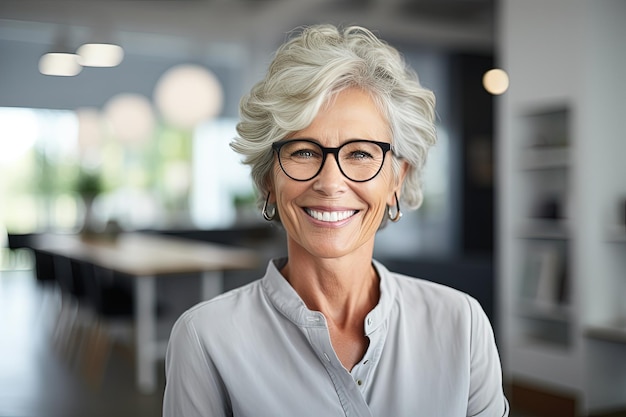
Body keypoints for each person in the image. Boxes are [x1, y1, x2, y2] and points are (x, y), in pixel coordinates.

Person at [163, 24, 509, 417]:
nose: (330, 183)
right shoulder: (205, 338)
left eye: (361, 153)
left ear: (398, 178)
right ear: (267, 180)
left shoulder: (461, 324)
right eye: (304, 152)